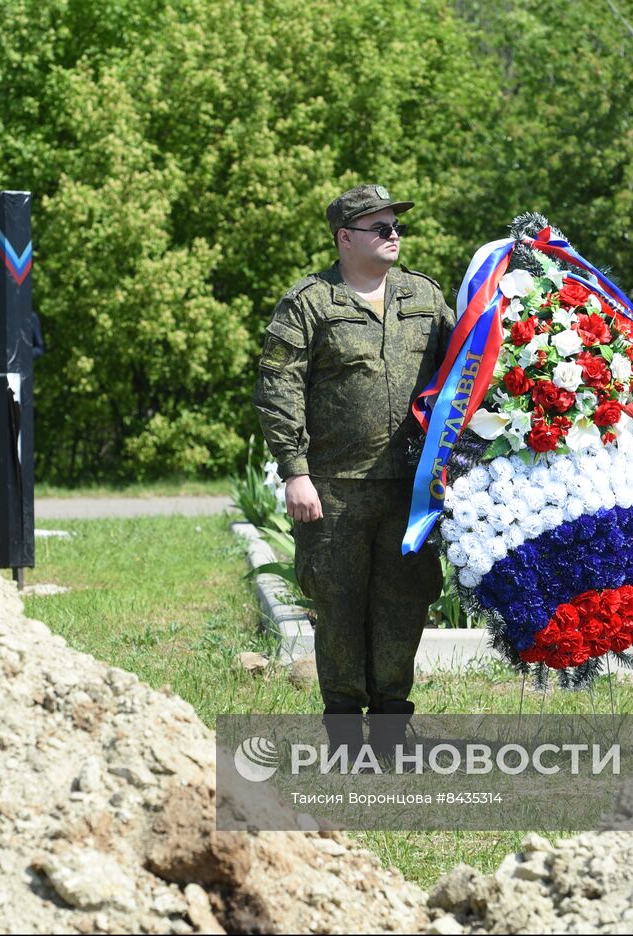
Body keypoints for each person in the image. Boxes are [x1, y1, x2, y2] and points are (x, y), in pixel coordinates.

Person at [253, 184, 454, 760]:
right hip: (333, 489)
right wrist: (295, 471)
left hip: (410, 488)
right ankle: (344, 734)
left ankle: (392, 730)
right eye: (379, 228)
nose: (394, 236)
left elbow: (465, 365)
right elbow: (278, 387)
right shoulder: (310, 302)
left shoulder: (423, 295)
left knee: (404, 604)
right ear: (345, 238)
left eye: (396, 227)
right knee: (338, 609)